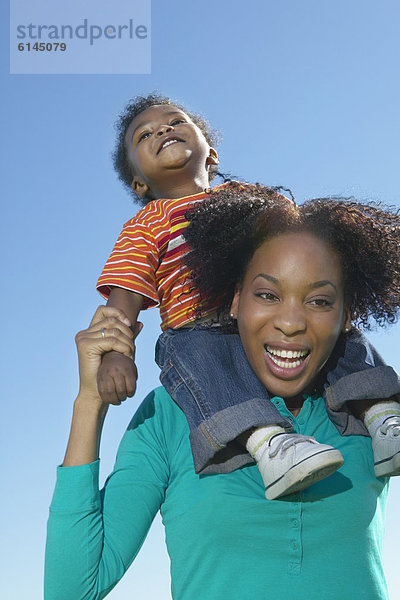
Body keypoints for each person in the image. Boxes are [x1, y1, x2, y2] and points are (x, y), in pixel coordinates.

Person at [45, 190, 400, 599]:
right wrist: (88, 403)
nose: (290, 322)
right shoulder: (170, 414)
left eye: (319, 301)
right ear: (235, 302)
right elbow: (72, 590)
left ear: (347, 315)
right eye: (267, 294)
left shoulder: (372, 413)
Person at [95, 94, 400, 499]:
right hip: (199, 327)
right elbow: (125, 293)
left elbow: (301, 242)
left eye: (176, 122)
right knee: (196, 356)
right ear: (139, 182)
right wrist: (117, 353)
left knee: (340, 338)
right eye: (145, 135)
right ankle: (270, 445)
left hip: (270, 310)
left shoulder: (251, 196)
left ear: (211, 153)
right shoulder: (146, 225)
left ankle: (383, 417)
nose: (164, 131)